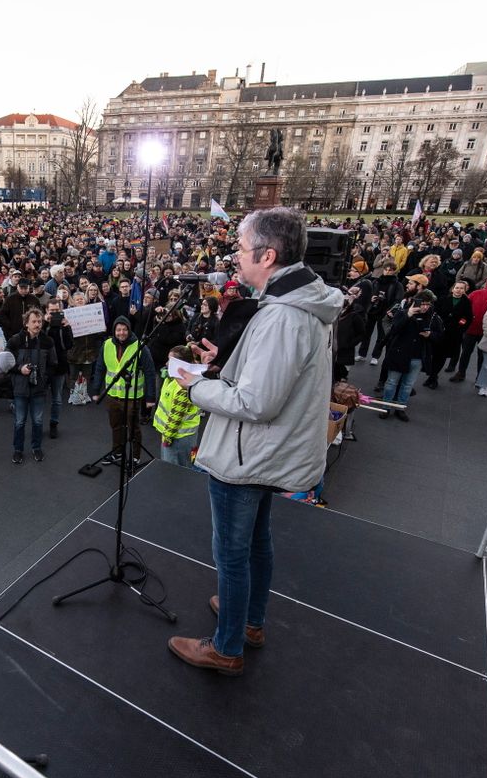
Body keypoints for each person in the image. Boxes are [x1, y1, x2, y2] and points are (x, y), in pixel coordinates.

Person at [169, 207, 343, 676]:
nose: (235, 257)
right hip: (270, 448)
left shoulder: (284, 316)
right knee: (256, 543)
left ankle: (227, 647)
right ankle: (249, 620)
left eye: (241, 249)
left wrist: (195, 385)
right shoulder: (297, 303)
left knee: (232, 551)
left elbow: (257, 403)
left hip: (250, 454)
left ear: (268, 255)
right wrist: (222, 363)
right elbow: (270, 377)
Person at [90, 316, 158, 466]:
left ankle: (135, 457)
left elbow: (150, 372)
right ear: (114, 331)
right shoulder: (106, 344)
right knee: (116, 427)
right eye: (118, 329)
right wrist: (96, 390)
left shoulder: (140, 346)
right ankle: (118, 453)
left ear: (129, 329)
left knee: (133, 429)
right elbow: (100, 368)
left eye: (124, 329)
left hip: (132, 397)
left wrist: (150, 397)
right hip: (112, 396)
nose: (121, 333)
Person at [379, 290, 442, 421]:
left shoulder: (433, 317)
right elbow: (394, 329)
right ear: (415, 302)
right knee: (391, 382)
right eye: (423, 304)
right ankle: (385, 407)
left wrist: (430, 335)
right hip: (399, 354)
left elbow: (440, 336)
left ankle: (400, 408)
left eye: (428, 304)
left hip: (417, 357)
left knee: (407, 385)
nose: (425, 307)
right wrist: (408, 315)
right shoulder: (403, 312)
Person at [6, 308, 56, 464]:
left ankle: (36, 447)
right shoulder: (15, 340)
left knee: (38, 421)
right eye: (34, 321)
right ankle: (18, 450)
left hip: (39, 390)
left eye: (40, 321)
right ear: (26, 323)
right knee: (19, 421)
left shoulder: (47, 341)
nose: (37, 324)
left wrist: (44, 378)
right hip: (20, 389)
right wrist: (19, 369)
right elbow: (6, 362)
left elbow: (53, 364)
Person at [153, 344, 201, 468]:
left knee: (174, 471)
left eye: (171, 361)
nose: (167, 363)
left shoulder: (183, 387)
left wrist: (167, 438)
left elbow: (176, 417)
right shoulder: (180, 378)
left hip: (178, 438)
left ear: (181, 364)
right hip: (176, 435)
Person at [452, 272, 487, 383]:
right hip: (470, 329)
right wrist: (462, 323)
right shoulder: (476, 293)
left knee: (482, 356)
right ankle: (461, 373)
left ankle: (479, 378)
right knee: (465, 352)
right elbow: (464, 309)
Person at [43, 299, 73, 439]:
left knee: (57, 398)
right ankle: (38, 423)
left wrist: (66, 328)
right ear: (47, 311)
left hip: (59, 365)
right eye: (52, 311)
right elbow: (37, 341)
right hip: (43, 366)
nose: (54, 314)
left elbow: (68, 345)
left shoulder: (64, 325)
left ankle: (53, 423)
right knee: (39, 397)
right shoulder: (42, 324)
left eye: (57, 311)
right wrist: (44, 323)